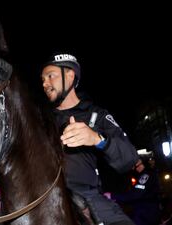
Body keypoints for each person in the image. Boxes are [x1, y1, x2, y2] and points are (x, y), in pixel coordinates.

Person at [40, 53, 140, 225]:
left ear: (70, 76)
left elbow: (130, 158)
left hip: (88, 197)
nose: (44, 83)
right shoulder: (40, 118)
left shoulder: (97, 115)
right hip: (43, 197)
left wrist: (97, 139)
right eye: (42, 79)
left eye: (50, 76)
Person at [104, 158, 161, 225]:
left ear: (140, 163)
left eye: (134, 166)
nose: (133, 168)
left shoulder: (146, 175)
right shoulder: (147, 174)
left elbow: (136, 194)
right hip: (146, 213)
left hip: (146, 215)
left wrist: (112, 196)